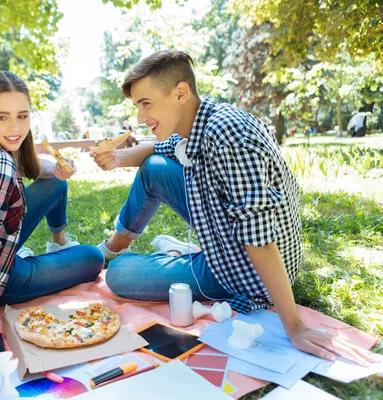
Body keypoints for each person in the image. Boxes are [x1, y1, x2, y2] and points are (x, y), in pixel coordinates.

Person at [91, 50, 378, 366]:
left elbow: (259, 239)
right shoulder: (198, 121)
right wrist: (117, 159)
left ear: (180, 93)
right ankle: (120, 247)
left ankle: (180, 258)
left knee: (117, 276)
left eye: (146, 104)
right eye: (137, 107)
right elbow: (153, 150)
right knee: (155, 166)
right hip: (227, 233)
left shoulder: (226, 135)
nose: (140, 119)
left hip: (245, 270)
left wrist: (294, 326)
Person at [0, 71, 104, 358]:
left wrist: (57, 169)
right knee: (93, 258)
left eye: (23, 116)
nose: (15, 127)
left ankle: (59, 243)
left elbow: (32, 169)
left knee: (55, 180)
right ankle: (56, 256)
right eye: (2, 117)